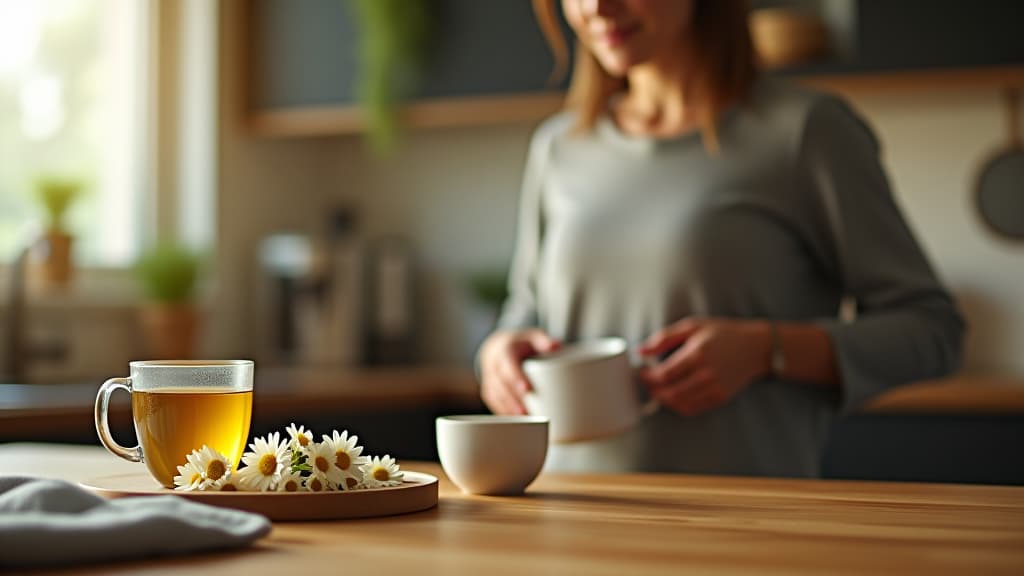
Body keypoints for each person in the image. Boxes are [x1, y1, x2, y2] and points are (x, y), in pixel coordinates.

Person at [476, 0, 965, 477]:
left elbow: (933, 332)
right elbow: (528, 312)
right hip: (574, 523)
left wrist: (764, 349)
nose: (597, 6)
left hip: (745, 529)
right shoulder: (559, 148)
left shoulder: (806, 132)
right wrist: (497, 352)